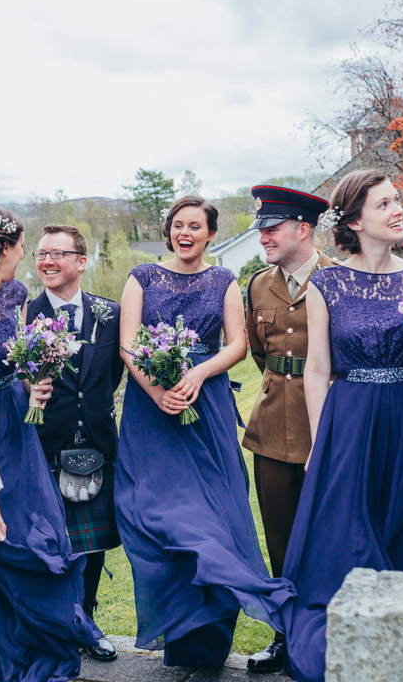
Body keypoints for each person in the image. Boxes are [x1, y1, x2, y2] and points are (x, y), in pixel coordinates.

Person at [280, 170, 403, 682]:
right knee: (349, 533)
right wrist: (323, 443)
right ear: (356, 221)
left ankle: (400, 644)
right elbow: (317, 369)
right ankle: (351, 639)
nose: (398, 210)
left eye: (397, 200)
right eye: (385, 204)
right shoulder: (328, 282)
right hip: (351, 420)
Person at [115, 195, 293, 669]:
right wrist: (157, 391)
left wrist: (197, 375)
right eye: (178, 224)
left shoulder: (223, 280)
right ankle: (180, 632)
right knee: (157, 514)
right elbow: (128, 344)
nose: (185, 232)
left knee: (217, 519)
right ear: (169, 230)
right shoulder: (142, 277)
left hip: (205, 405)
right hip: (150, 411)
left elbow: (237, 344)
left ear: (211, 234)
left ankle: (210, 642)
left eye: (195, 225)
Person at [0, 207, 100, 682]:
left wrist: (30, 381)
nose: (27, 258)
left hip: (20, 424)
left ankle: (47, 641)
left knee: (40, 531)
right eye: (24, 247)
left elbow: (17, 358)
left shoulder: (15, 293)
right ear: (7, 249)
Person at [241, 186, 334, 674]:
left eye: (271, 229)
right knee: (280, 537)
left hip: (330, 427)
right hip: (273, 429)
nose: (264, 238)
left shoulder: (339, 278)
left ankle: (327, 632)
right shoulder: (258, 285)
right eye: (261, 229)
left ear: (303, 228)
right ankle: (285, 636)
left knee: (329, 534)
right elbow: (261, 353)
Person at [27, 223, 123, 663]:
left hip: (97, 445)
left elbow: (111, 377)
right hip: (44, 445)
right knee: (52, 545)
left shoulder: (111, 312)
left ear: (81, 262)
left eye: (57, 253)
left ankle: (86, 621)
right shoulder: (25, 316)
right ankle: (57, 624)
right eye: (41, 254)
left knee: (92, 545)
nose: (47, 261)